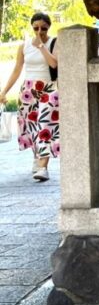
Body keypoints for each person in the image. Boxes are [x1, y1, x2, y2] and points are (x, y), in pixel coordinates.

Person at [1, 12, 59, 181]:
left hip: (48, 89)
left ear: (49, 27)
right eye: (36, 28)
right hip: (28, 90)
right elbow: (17, 70)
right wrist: (4, 91)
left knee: (45, 126)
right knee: (32, 127)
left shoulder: (54, 42)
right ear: (32, 27)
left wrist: (41, 46)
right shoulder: (24, 46)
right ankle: (37, 158)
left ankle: (43, 167)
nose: (39, 31)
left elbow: (54, 63)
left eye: (43, 28)